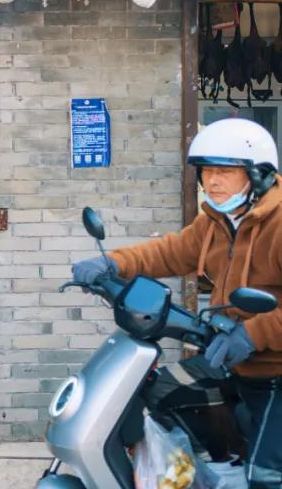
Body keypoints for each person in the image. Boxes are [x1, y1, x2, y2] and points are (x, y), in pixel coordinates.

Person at [72, 118, 282, 489]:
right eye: (206, 172)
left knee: (265, 476)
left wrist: (253, 333)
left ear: (259, 176)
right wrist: (113, 264)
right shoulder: (217, 221)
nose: (212, 182)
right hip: (232, 362)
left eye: (224, 172)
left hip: (275, 373)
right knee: (161, 391)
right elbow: (170, 252)